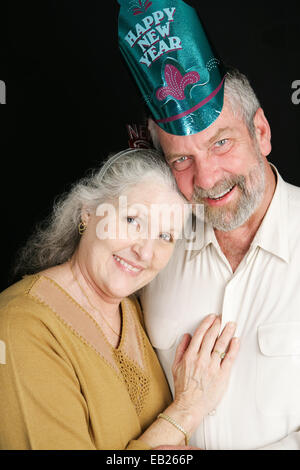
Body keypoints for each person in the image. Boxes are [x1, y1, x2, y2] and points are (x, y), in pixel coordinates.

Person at [118, 0, 300, 450]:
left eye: (221, 143)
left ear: (261, 132)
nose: (207, 179)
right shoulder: (151, 250)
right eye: (182, 159)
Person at [0, 149, 239, 450]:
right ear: (88, 212)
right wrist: (187, 410)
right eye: (132, 220)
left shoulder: (135, 311)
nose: (145, 252)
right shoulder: (19, 328)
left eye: (165, 237)